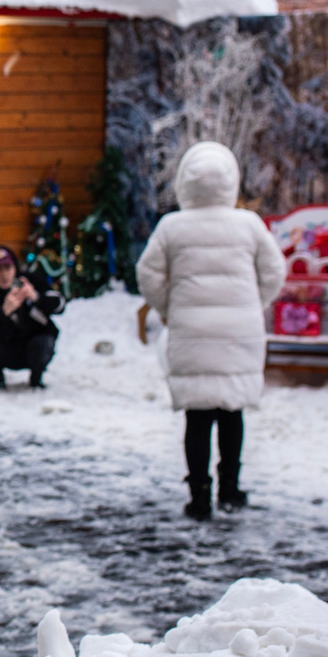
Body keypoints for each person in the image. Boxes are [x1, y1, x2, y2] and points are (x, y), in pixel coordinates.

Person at [135, 141, 286, 521]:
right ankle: (230, 490)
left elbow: (147, 274)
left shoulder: (172, 227)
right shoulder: (248, 224)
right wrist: (254, 303)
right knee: (232, 413)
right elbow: (274, 271)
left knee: (198, 417)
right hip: (240, 333)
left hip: (191, 332)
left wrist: (169, 308)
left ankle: (199, 495)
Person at [0, 245, 65, 393]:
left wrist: (36, 298)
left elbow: (60, 305)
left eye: (7, 268)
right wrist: (4, 312)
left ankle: (36, 379)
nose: (4, 275)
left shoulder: (28, 281)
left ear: (15, 267)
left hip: (33, 346)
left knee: (44, 342)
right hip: (7, 349)